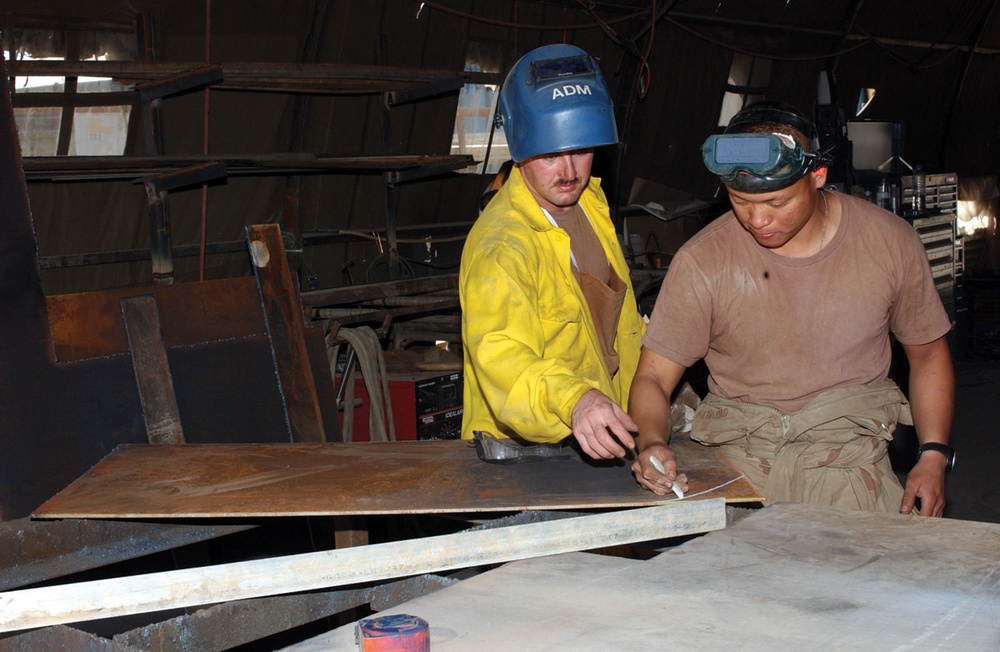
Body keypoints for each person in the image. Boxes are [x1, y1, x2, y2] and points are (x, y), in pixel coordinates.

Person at [629, 100, 955, 516]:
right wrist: (654, 443)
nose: (757, 219)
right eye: (740, 200)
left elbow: (928, 352)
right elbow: (654, 376)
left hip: (850, 471)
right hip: (740, 473)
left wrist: (933, 456)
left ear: (818, 176)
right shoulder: (703, 261)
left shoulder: (889, 243)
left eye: (777, 203)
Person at [459, 44, 647, 461]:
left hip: (602, 435)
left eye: (580, 151)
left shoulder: (591, 206)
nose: (569, 172)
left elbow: (616, 331)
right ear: (520, 148)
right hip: (524, 455)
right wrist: (576, 399)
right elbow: (502, 354)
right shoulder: (502, 246)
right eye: (549, 155)